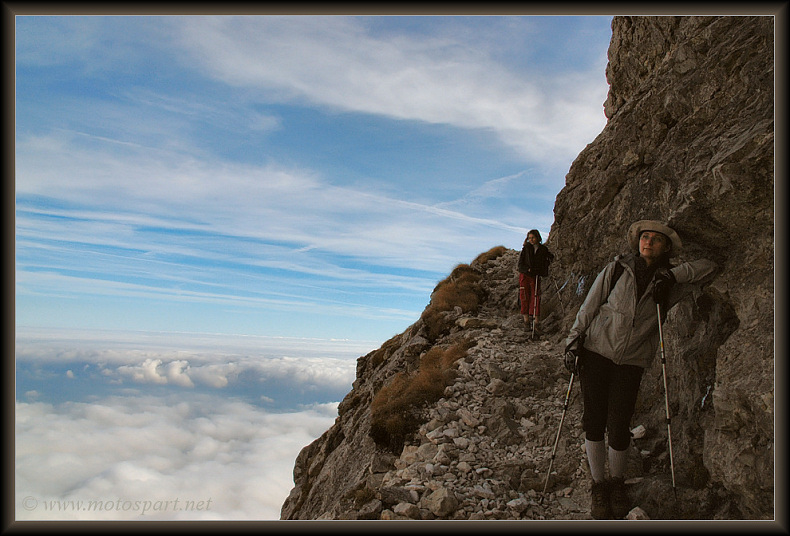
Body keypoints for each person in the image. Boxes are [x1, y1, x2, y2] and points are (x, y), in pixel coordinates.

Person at [563, 220, 717, 519]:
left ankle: (617, 483)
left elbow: (709, 267)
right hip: (596, 351)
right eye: (644, 237)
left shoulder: (669, 283)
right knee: (594, 420)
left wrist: (671, 275)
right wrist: (572, 342)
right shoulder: (618, 269)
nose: (648, 242)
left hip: (632, 360)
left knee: (619, 423)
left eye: (656, 239)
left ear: (666, 247)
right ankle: (599, 485)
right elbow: (590, 305)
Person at [517, 229, 554, 333]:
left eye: (533, 237)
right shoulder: (526, 249)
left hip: (536, 276)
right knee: (524, 296)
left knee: (536, 297)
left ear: (538, 238)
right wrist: (527, 269)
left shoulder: (543, 249)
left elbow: (548, 259)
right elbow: (520, 264)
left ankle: (536, 322)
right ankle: (526, 321)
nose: (531, 240)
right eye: (529, 238)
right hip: (525, 275)